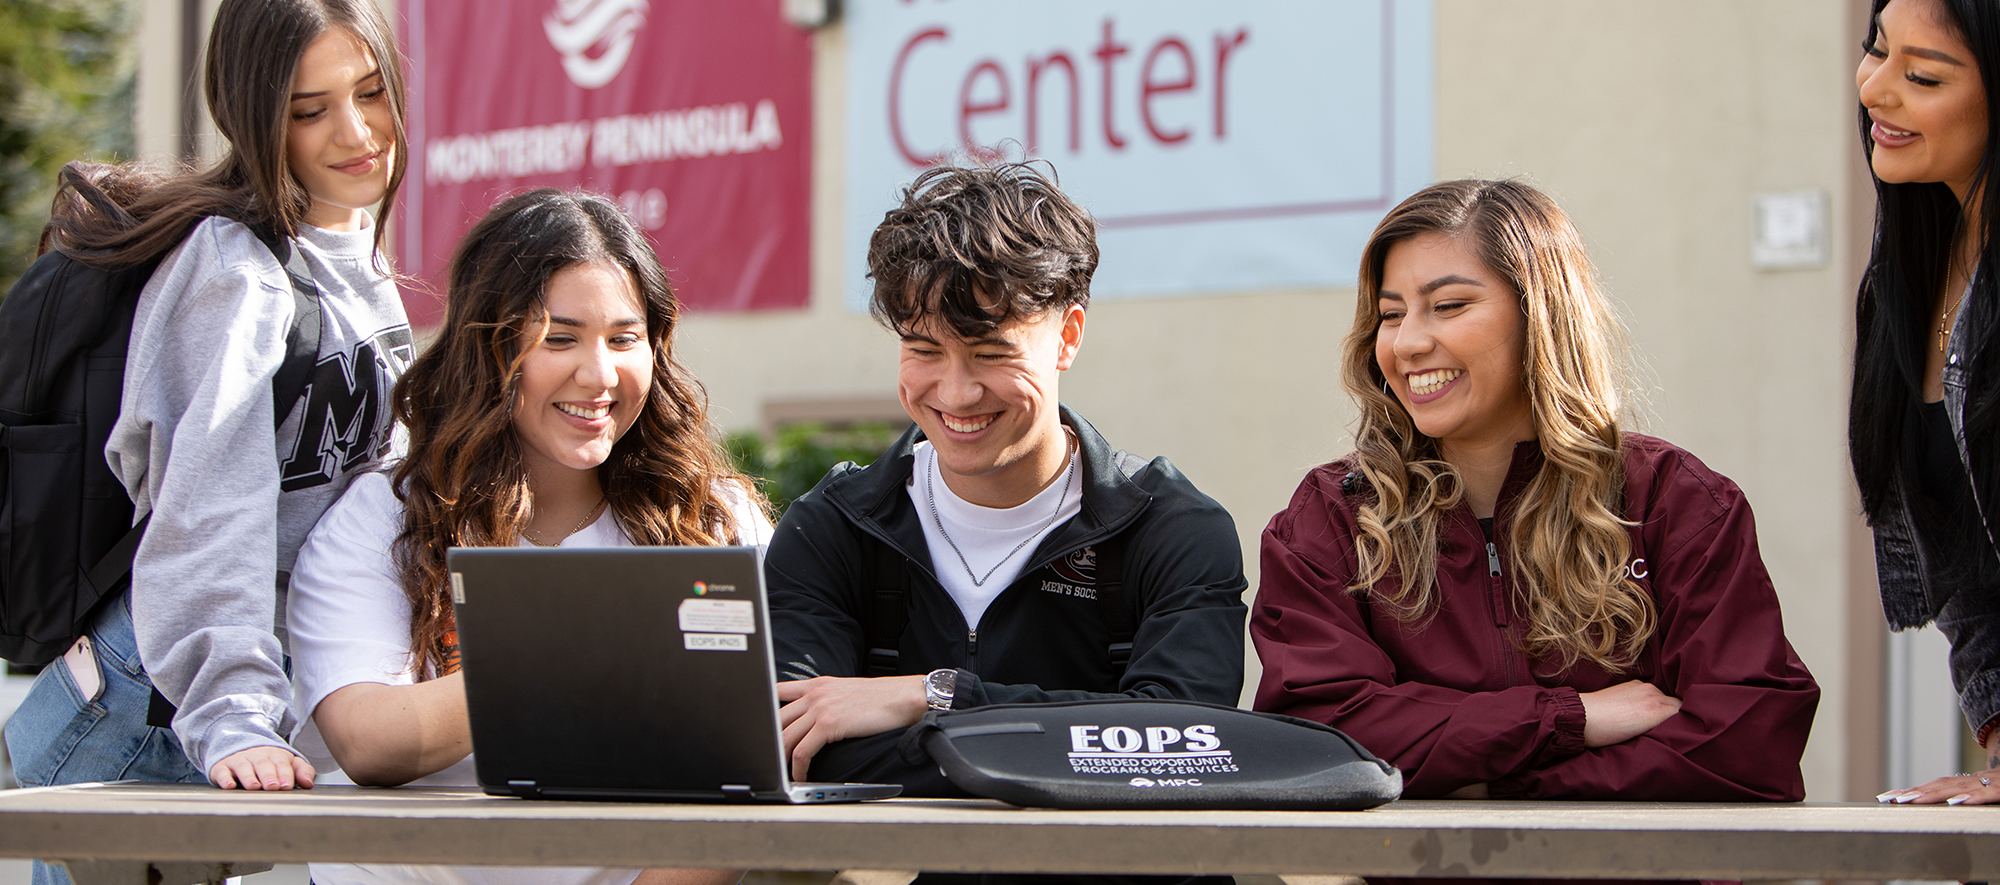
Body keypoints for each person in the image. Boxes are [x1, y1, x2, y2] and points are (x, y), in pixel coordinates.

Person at [1251, 179, 1820, 808]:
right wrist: (1568, 718)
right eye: (1390, 314)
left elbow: (1745, 747)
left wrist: (1491, 785)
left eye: (1449, 306)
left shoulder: (1673, 502)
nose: (1408, 342)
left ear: (1540, 316)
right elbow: (1318, 737)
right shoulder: (1334, 518)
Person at [766, 162, 1246, 883]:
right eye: (924, 350)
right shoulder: (834, 528)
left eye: (991, 353)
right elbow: (806, 750)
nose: (956, 392)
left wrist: (932, 694)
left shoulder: (1173, 530)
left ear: (1067, 336)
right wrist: (1080, 738)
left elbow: (1179, 747)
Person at [4, 0, 411, 823]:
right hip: (154, 715)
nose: (356, 131)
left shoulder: (351, 256)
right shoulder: (236, 273)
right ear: (254, 118)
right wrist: (233, 712)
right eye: (309, 110)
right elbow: (206, 508)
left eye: (370, 92)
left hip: (242, 711)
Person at [285, 189, 759, 885]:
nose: (598, 375)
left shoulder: (715, 518)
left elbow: (756, 761)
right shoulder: (386, 517)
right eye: (558, 338)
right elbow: (367, 739)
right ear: (488, 344)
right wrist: (589, 651)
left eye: (624, 339)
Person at [1853, 0, 2000, 807]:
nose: (1876, 88)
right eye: (1876, 52)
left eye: (1923, 75)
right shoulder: (1907, 279)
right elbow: (1966, 571)